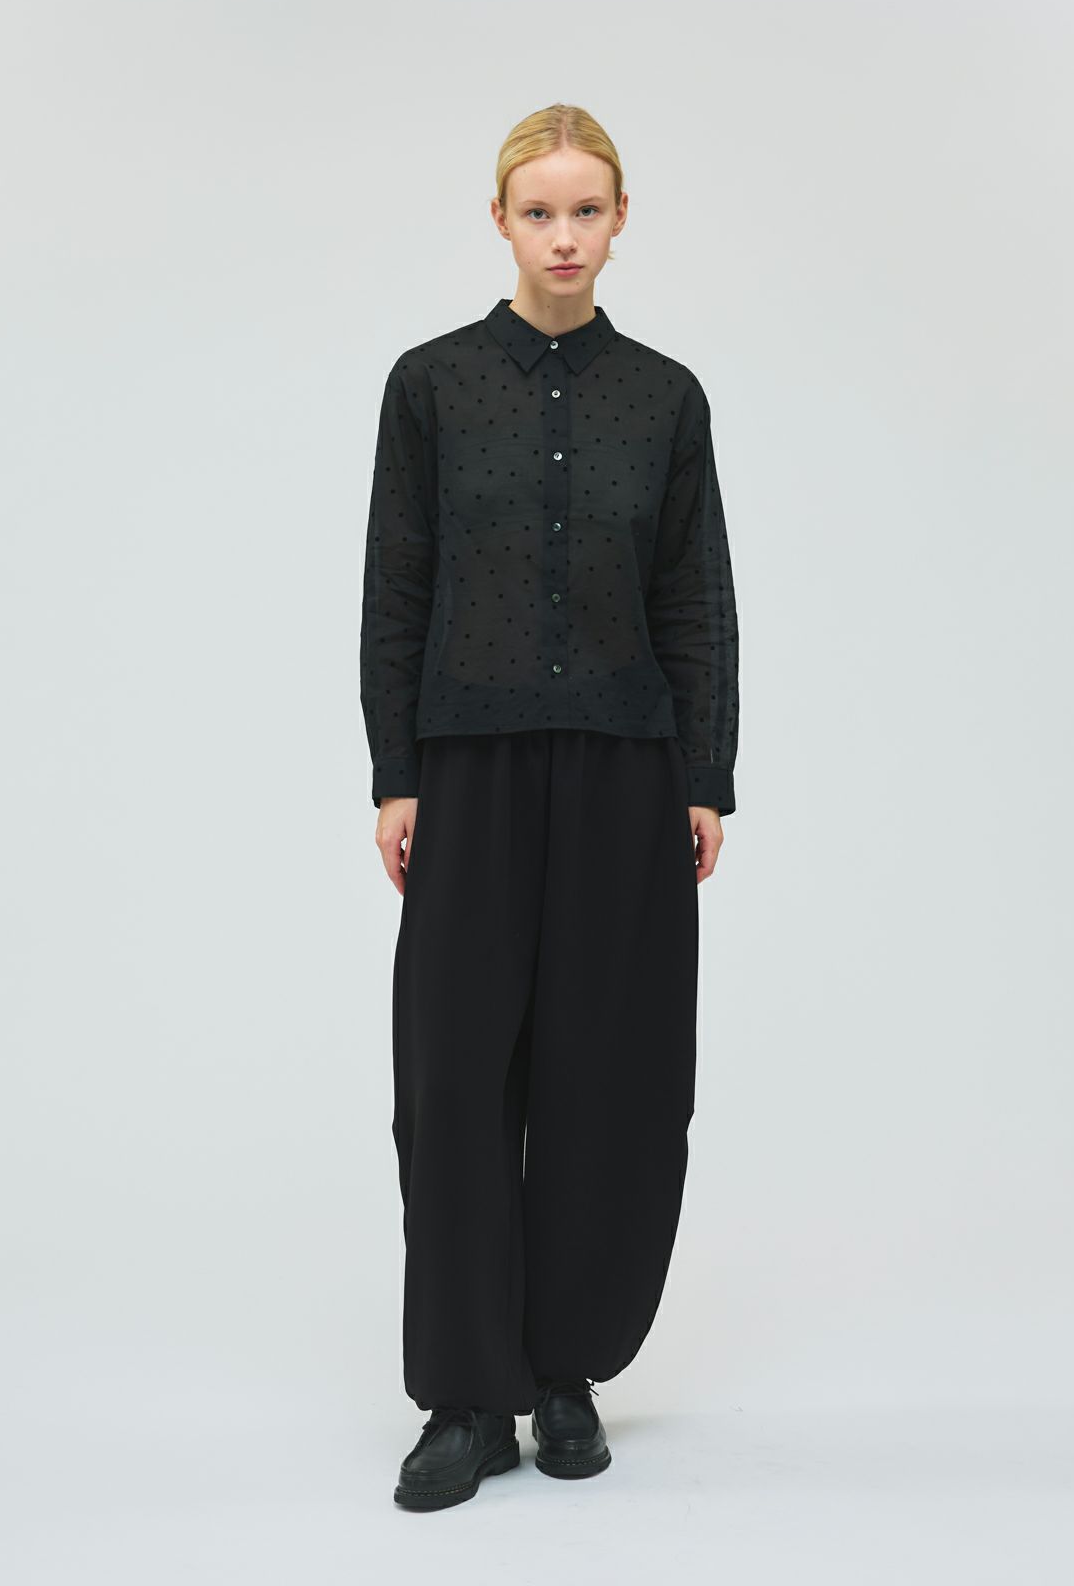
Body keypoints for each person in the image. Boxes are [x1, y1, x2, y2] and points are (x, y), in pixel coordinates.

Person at [360, 102, 740, 1512]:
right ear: (502, 221)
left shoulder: (667, 398)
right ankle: (467, 1398)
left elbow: (694, 595)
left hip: (626, 769)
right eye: (540, 212)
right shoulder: (432, 385)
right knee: (454, 1079)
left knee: (610, 1074)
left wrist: (705, 776)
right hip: (467, 764)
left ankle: (567, 1371)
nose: (564, 237)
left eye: (587, 211)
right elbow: (397, 582)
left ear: (621, 219)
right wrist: (396, 770)